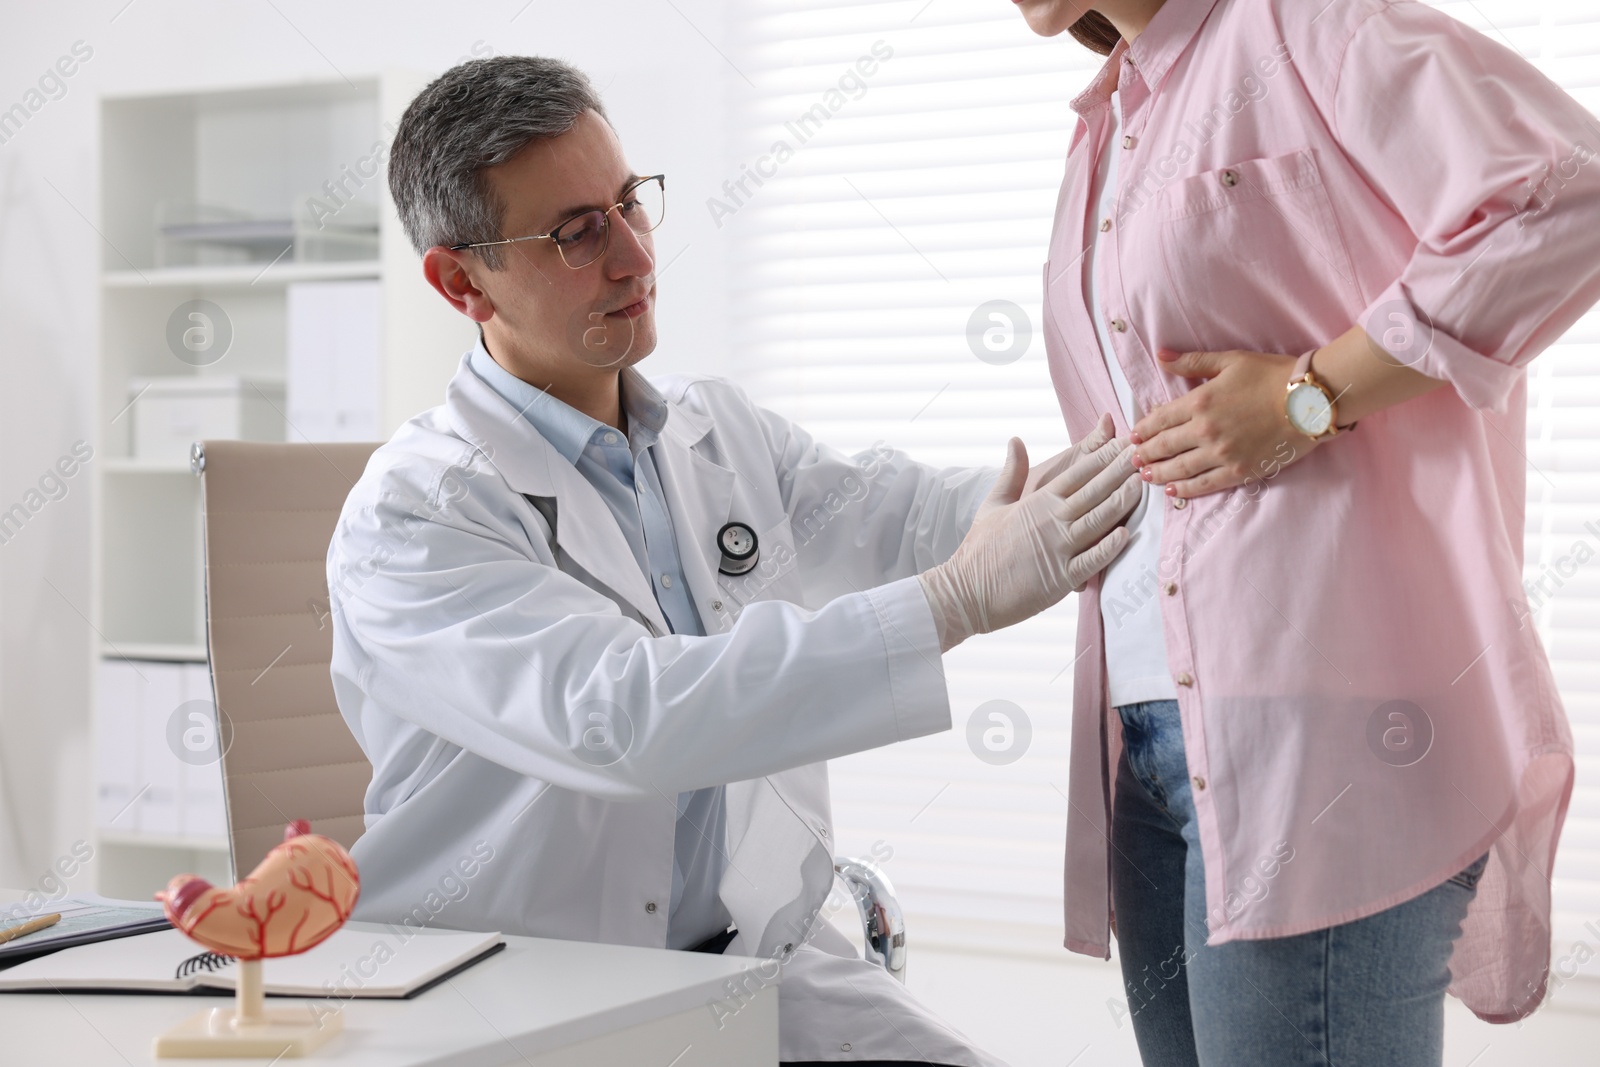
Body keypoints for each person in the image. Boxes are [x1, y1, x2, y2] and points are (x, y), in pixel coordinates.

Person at [326, 55, 1144, 1066]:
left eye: (630, 204)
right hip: (507, 995)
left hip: (743, 968)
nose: (633, 255)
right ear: (460, 280)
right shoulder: (413, 514)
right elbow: (624, 714)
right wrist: (956, 598)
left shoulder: (717, 434)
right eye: (578, 231)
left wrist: (1152, 465)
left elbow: (919, 513)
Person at [1013, 0, 1600, 1062]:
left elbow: (1564, 192)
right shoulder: (1108, 117)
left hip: (1320, 732)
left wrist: (1307, 395)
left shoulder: (1302, 22)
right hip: (1146, 742)